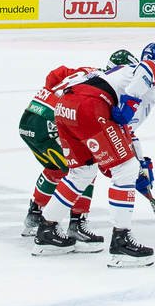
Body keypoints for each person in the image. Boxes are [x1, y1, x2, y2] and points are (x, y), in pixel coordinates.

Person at [34, 43, 155, 266]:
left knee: (81, 172)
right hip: (90, 104)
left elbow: (126, 132)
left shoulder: (120, 76)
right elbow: (149, 67)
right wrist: (130, 101)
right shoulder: (145, 72)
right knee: (124, 170)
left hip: (65, 107)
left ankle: (47, 230)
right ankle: (121, 241)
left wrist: (141, 163)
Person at [21, 48, 135, 248]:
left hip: (30, 117)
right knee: (84, 167)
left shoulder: (88, 72)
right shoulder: (108, 88)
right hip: (54, 122)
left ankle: (35, 214)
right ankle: (77, 223)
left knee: (56, 168)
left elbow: (54, 75)